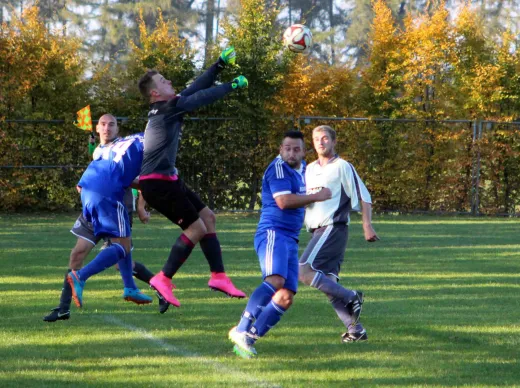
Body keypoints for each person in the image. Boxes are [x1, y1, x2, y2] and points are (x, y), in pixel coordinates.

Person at [137, 46, 248, 307]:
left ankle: (219, 276)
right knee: (196, 227)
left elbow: (195, 88)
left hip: (167, 180)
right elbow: (200, 98)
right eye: (164, 81)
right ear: (155, 93)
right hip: (157, 183)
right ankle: (163, 278)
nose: (170, 82)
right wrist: (231, 85)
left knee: (208, 218)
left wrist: (219, 65)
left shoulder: (167, 105)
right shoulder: (167, 108)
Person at [43, 115, 161, 322]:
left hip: (116, 206)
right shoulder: (98, 150)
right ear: (97, 128)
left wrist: (141, 206)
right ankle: (63, 308)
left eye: (112, 124)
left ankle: (158, 288)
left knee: (121, 257)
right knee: (77, 254)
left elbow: (142, 179)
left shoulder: (125, 147)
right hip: (94, 207)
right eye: (103, 124)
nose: (107, 128)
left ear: (117, 128)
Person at [228, 130, 332, 358]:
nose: (291, 153)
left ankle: (249, 338)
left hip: (291, 238)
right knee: (275, 280)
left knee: (285, 297)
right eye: (287, 148)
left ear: (304, 152)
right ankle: (242, 328)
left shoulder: (305, 169)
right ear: (280, 150)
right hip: (273, 232)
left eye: (296, 149)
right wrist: (317, 197)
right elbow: (283, 202)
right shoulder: (278, 169)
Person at [299, 125, 380, 343]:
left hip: (332, 228)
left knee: (303, 271)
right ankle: (356, 330)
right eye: (316, 139)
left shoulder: (342, 166)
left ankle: (352, 296)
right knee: (328, 285)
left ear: (334, 142)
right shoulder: (309, 169)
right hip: (318, 231)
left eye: (325, 138)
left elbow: (364, 196)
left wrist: (367, 225)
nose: (321, 142)